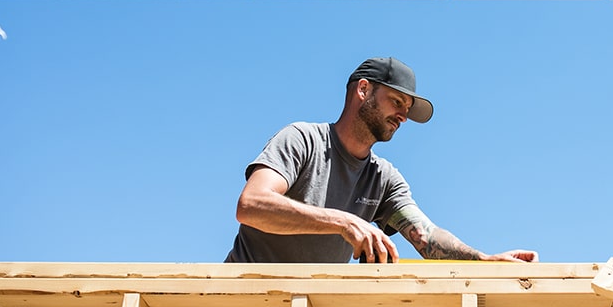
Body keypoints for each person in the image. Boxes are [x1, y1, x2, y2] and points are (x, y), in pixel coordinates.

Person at [225, 57, 538, 264]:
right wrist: (343, 221)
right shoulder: (303, 140)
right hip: (238, 303)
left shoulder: (383, 179)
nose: (403, 115)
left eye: (407, 108)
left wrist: (482, 260)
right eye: (397, 102)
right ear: (364, 90)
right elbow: (251, 205)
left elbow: (427, 237)